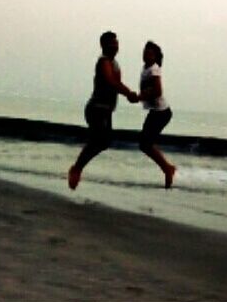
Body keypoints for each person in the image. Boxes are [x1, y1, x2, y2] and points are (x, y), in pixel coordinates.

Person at [68, 31, 139, 190]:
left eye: (116, 43)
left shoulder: (115, 64)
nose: (114, 45)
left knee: (103, 142)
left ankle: (77, 167)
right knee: (98, 141)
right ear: (103, 45)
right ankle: (77, 169)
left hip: (106, 110)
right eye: (111, 43)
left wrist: (130, 95)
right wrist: (129, 93)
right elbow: (111, 81)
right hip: (96, 108)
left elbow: (117, 83)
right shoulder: (103, 61)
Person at [137, 41, 176, 188]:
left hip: (162, 113)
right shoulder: (146, 68)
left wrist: (139, 97)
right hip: (156, 112)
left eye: (150, 53)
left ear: (156, 56)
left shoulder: (154, 69)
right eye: (144, 51)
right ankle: (167, 168)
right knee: (144, 144)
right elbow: (148, 91)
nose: (146, 54)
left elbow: (158, 91)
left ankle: (168, 169)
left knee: (145, 144)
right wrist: (139, 96)